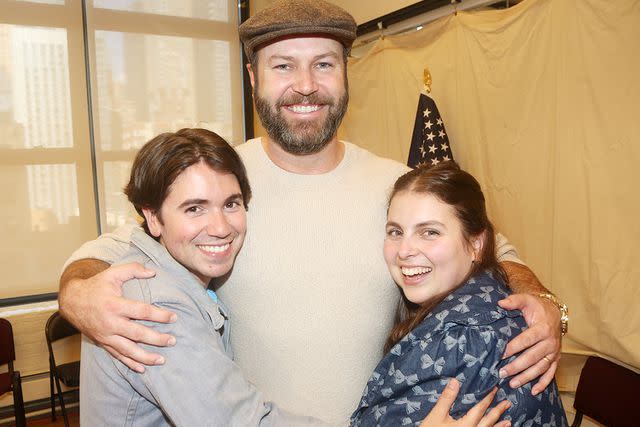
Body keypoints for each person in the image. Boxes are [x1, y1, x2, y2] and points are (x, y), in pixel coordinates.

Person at [59, 0, 566, 424]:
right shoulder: (221, 184)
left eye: (323, 63)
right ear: (255, 76)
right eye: (284, 66)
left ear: (346, 74)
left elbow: (491, 252)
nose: (306, 85)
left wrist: (539, 298)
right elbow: (110, 254)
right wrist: (77, 294)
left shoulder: (397, 186)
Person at [80, 128, 329, 426]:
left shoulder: (173, 276)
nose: (220, 227)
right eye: (195, 208)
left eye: (230, 204)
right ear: (154, 218)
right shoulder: (156, 306)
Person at [351, 162, 567, 426]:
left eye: (429, 232)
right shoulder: (481, 296)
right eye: (396, 231)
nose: (404, 250)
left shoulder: (466, 337)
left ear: (476, 244)